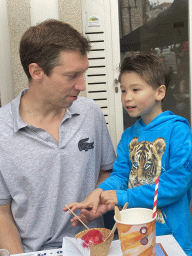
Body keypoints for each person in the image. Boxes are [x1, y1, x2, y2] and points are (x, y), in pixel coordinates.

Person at [0, 19, 116, 254]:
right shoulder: (2, 129)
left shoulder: (90, 112)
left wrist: (99, 197)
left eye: (83, 73)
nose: (81, 85)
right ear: (36, 71)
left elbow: (107, 171)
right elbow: (2, 211)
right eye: (71, 75)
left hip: (92, 247)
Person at [66, 54, 192, 256]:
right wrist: (98, 193)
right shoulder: (129, 136)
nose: (127, 97)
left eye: (136, 89)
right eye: (123, 90)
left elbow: (176, 183)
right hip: (134, 236)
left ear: (160, 92)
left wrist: (122, 196)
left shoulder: (178, 131)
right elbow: (119, 176)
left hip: (171, 238)